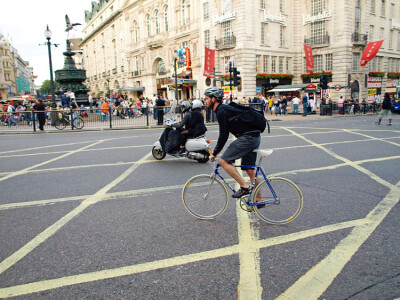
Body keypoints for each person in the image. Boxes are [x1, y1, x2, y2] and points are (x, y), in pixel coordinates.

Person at [205, 87, 263, 204]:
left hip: (247, 138)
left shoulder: (221, 111)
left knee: (223, 161)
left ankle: (244, 187)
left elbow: (223, 135)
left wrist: (215, 153)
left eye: (206, 98)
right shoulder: (224, 109)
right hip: (254, 137)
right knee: (250, 170)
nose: (204, 101)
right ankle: (259, 199)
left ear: (213, 99)